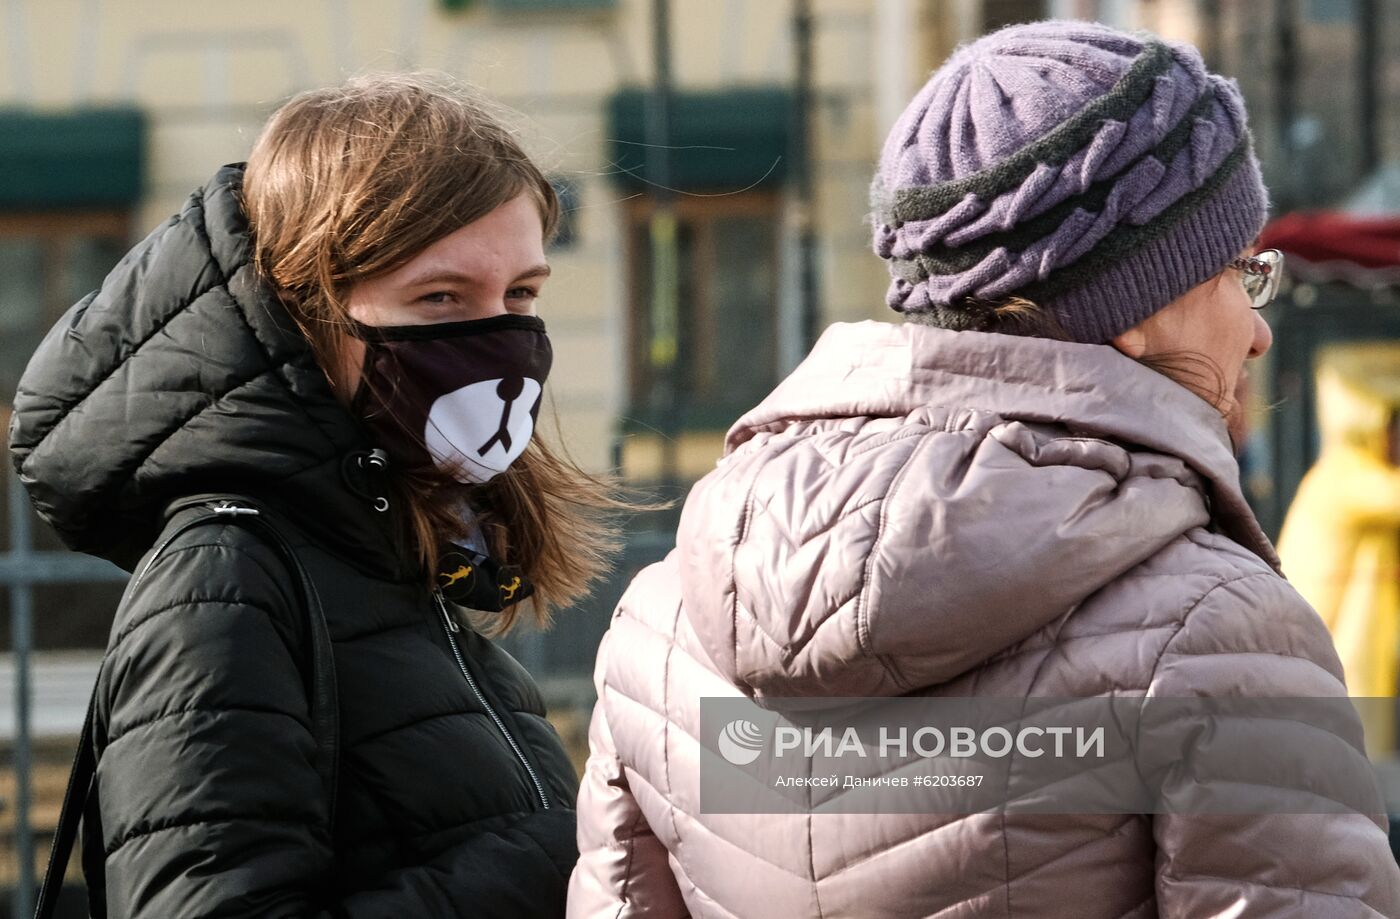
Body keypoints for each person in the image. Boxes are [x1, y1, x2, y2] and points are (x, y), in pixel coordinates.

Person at [568, 21, 1400, 918]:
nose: (1260, 327)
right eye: (1241, 269)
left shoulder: (663, 623)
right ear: (1137, 309)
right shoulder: (1215, 636)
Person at [9, 73, 620, 917]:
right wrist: (557, 862)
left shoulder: (392, 559)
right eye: (440, 297)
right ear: (308, 307)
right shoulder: (224, 582)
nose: (500, 338)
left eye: (521, 294)